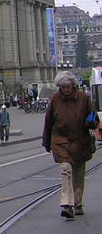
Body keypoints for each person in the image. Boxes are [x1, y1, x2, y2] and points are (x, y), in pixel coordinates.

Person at [42, 71, 97, 219]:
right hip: (61, 142)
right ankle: (67, 204)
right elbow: (48, 122)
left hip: (80, 141)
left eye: (67, 86)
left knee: (78, 174)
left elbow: (93, 116)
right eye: (62, 86)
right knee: (66, 170)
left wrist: (92, 122)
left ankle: (77, 204)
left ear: (73, 86)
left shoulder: (83, 98)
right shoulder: (55, 99)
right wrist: (46, 142)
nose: (65, 89)